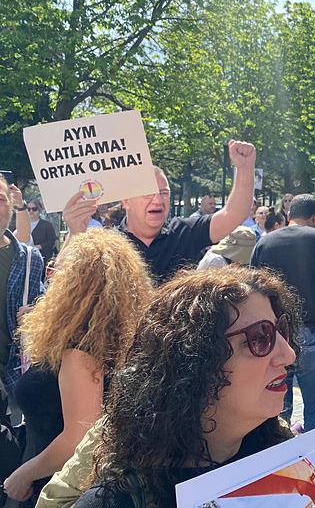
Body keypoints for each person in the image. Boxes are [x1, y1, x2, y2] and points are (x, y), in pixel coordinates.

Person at [71, 268, 298, 508]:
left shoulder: (287, 458)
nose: (288, 354)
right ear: (197, 362)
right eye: (260, 338)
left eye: (281, 330)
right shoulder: (119, 501)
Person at [2, 229, 153, 505]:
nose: (50, 276)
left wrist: (23, 475)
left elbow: (79, 437)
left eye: (55, 269)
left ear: (75, 283)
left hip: (56, 488)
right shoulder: (105, 340)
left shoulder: (80, 351)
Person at [62, 141, 256, 282]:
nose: (158, 200)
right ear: (126, 201)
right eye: (148, 194)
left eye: (164, 193)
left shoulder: (183, 232)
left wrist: (245, 167)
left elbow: (234, 214)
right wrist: (74, 232)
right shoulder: (107, 245)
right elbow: (62, 282)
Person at [250, 194, 315, 431]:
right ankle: (314, 455)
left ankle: (278, 448)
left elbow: (252, 283)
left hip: (275, 334)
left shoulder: (265, 242)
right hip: (314, 329)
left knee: (276, 403)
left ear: (288, 214)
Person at [0, 176, 44, 395]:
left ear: (11, 205)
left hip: (15, 382)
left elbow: (44, 307)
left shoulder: (29, 259)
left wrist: (36, 315)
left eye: (0, 199)